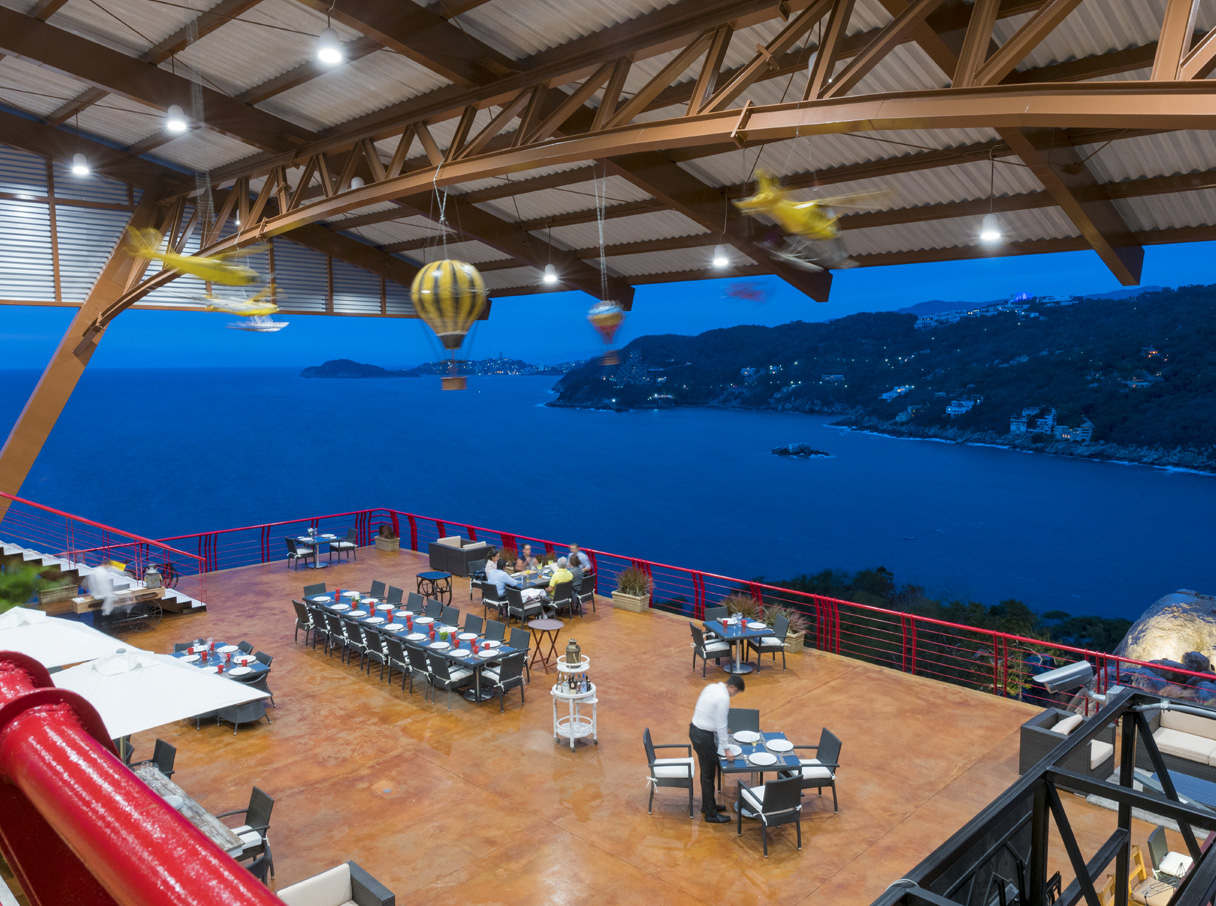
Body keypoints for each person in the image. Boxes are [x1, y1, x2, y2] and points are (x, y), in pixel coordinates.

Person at [689, 674, 744, 823]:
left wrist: (724, 730)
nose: (734, 695)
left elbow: (710, 714)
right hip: (704, 737)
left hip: (695, 731)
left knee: (706, 773)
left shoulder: (712, 687)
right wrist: (726, 749)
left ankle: (708, 806)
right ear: (732, 687)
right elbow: (721, 723)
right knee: (708, 775)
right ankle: (711, 814)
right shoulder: (723, 697)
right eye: (736, 692)